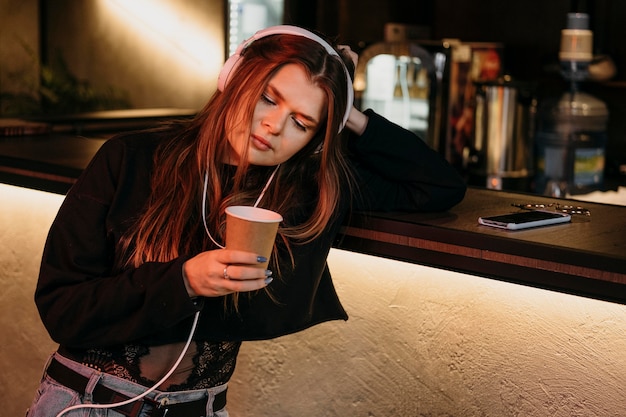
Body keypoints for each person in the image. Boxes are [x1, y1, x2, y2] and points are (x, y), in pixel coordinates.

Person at [28, 25, 466, 417]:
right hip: (87, 401)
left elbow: (439, 185)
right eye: (268, 98)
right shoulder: (130, 158)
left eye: (301, 121)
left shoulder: (306, 192)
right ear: (234, 79)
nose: (274, 126)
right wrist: (184, 281)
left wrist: (346, 109)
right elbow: (61, 307)